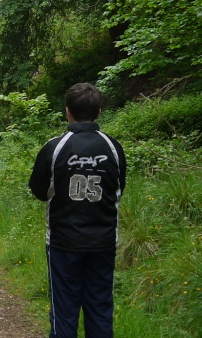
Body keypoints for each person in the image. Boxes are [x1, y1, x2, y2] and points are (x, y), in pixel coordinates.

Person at [29, 82, 126, 338]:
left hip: (63, 243)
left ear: (67, 111)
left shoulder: (54, 147)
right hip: (103, 243)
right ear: (99, 113)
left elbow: (39, 191)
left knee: (63, 312)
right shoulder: (113, 148)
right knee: (100, 309)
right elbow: (118, 190)